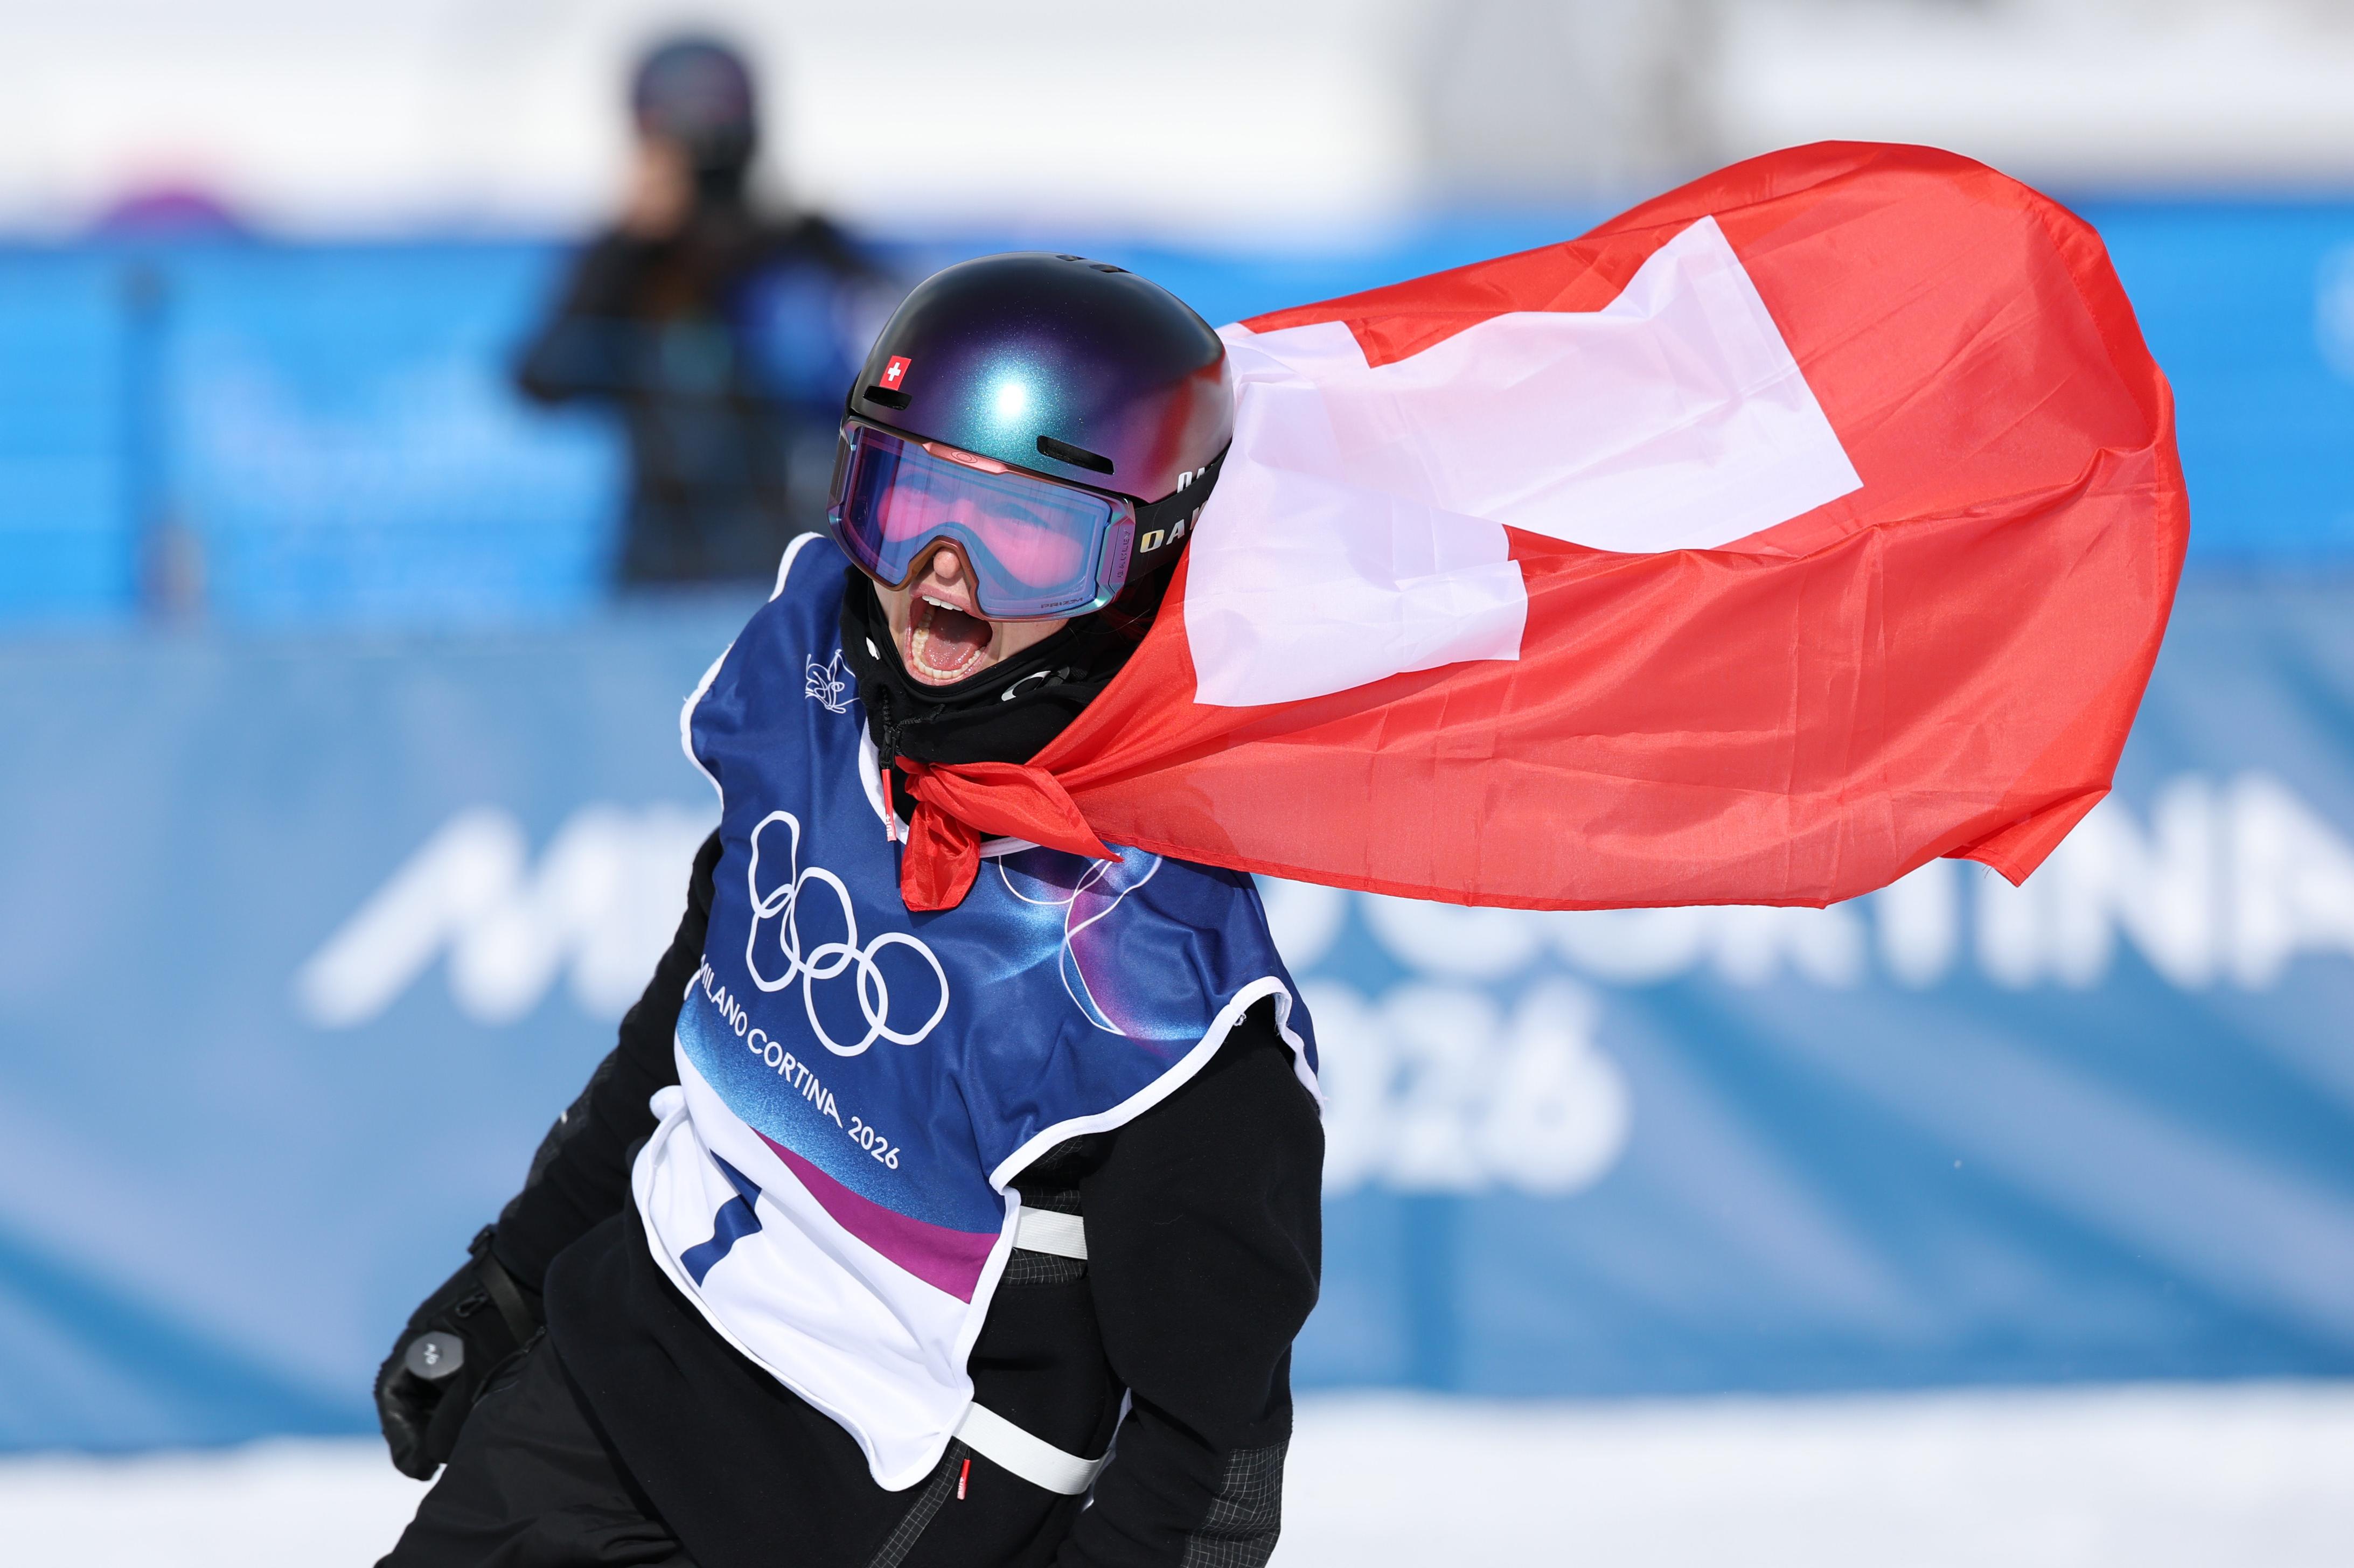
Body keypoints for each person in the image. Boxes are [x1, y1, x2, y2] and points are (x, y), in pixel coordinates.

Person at [378, 253, 1324, 1568]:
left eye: (1026, 536)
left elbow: (1211, 1453)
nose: (944, 577)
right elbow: (693, 1030)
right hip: (606, 1392)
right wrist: (511, 1278)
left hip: (877, 1508)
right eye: (911, 500)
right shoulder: (819, 712)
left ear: (1143, 562)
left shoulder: (1160, 979)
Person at [517, 36, 890, 588]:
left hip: (775, 563)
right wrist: (625, 244)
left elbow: (899, 373)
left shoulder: (800, 255)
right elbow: (539, 382)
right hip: (660, 566)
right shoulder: (632, 268)